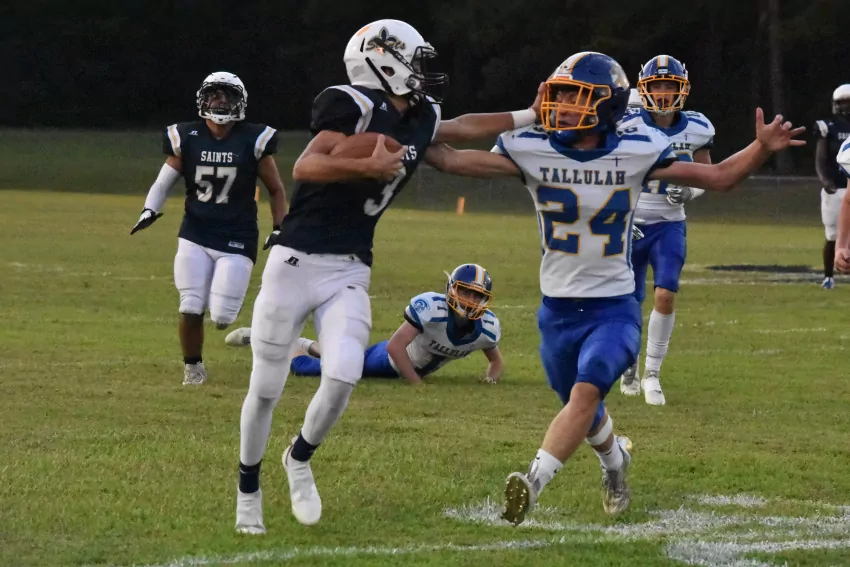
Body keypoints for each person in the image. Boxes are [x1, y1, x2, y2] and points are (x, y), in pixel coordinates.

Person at [423, 51, 804, 525]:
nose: (561, 106)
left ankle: (532, 483)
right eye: (560, 95)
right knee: (583, 407)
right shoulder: (532, 147)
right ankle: (615, 462)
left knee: (585, 395)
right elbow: (447, 157)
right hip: (556, 311)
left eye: (574, 96)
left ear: (607, 103)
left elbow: (719, 177)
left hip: (614, 308)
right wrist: (419, 124)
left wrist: (761, 148)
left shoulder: (638, 147)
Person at [235, 19, 543, 534]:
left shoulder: (417, 118)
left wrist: (533, 126)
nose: (423, 71)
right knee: (266, 387)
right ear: (382, 60)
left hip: (349, 267)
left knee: (343, 377)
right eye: (415, 61)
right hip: (294, 261)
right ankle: (248, 490)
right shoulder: (352, 104)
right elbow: (307, 167)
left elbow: (459, 140)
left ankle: (299, 457)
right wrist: (365, 168)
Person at [130, 71, 287, 386]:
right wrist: (149, 208)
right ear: (202, 99)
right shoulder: (187, 136)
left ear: (240, 102)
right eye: (214, 94)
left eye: (227, 95)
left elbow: (276, 189)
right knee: (190, 306)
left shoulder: (253, 139)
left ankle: (256, 334)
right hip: (196, 233)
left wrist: (280, 227)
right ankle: (193, 368)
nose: (219, 101)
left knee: (222, 317)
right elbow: (162, 182)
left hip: (237, 236)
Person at [618, 55, 715, 406]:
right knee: (628, 300)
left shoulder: (697, 127)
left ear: (681, 90)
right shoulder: (627, 125)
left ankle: (652, 374)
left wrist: (690, 192)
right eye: (656, 85)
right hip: (630, 223)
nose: (662, 92)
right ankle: (628, 362)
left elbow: (708, 176)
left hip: (669, 223)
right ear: (644, 89)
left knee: (665, 295)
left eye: (668, 86)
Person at [225, 264, 503, 384]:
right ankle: (283, 342)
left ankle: (303, 343)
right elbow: (395, 347)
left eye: (476, 295)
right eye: (465, 292)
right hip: (389, 361)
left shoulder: (487, 328)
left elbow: (496, 361)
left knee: (345, 358)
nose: (469, 300)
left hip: (403, 363)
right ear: (451, 289)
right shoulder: (432, 309)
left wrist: (490, 380)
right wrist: (416, 383)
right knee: (314, 370)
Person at [815, 84, 850, 290]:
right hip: (836, 188)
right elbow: (821, 157)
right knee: (832, 235)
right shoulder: (829, 128)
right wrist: (825, 180)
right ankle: (829, 276)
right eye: (843, 103)